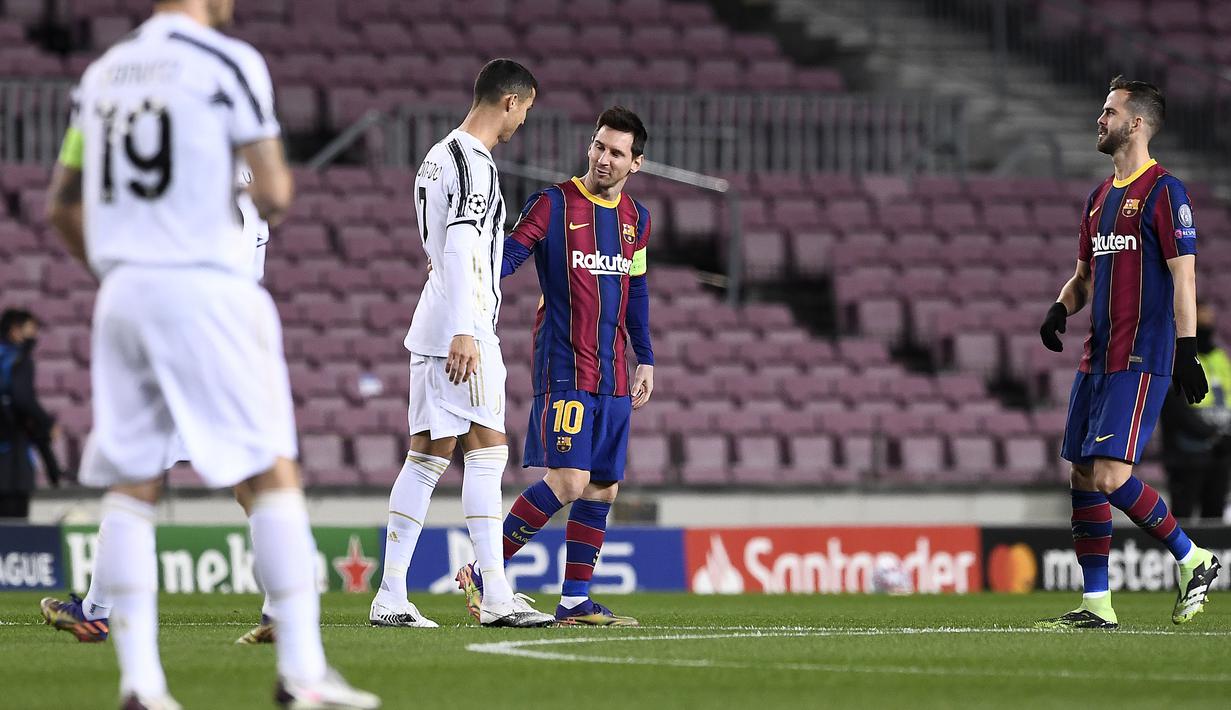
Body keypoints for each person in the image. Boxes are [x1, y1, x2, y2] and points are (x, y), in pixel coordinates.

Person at [39, 1, 378, 708]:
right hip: (204, 289)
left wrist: (118, 270)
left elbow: (61, 206)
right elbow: (278, 190)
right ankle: (303, 673)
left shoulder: (105, 73)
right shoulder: (228, 61)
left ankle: (140, 684)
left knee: (133, 483)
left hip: (125, 292)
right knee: (271, 469)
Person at [41, 168, 281, 647]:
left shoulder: (191, 176)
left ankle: (96, 613)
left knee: (135, 476)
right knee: (252, 484)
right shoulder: (250, 192)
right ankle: (282, 609)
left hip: (184, 340)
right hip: (234, 343)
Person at [367, 58, 554, 629]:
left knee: (427, 457)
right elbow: (456, 246)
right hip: (459, 327)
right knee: (488, 452)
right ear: (510, 102)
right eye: (525, 109)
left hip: (438, 323)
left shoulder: (436, 156)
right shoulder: (475, 164)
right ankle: (494, 594)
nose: (522, 121)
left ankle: (391, 593)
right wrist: (466, 330)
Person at [455, 106, 655, 626]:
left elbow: (637, 292)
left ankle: (574, 601)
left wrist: (646, 357)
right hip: (563, 366)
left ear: (637, 162)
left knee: (602, 486)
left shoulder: (637, 219)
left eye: (616, 152)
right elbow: (509, 257)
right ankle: (482, 572)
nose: (603, 158)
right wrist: (470, 291)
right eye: (599, 146)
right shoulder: (553, 204)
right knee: (568, 479)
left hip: (613, 372)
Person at [1037, 76, 1219, 630]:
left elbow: (1183, 278)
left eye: (1109, 110)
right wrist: (1059, 309)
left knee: (1113, 477)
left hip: (1141, 356)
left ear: (1135, 123)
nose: (1100, 118)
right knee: (1083, 476)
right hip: (1097, 356)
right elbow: (1083, 278)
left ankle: (1195, 559)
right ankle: (1099, 605)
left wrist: (1186, 350)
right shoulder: (1098, 199)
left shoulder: (1165, 191)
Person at [1160, 302, 1231, 521]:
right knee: (1183, 518)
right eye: (1202, 317)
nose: (1208, 321)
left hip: (1219, 454)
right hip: (1186, 454)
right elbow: (1175, 408)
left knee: (1215, 518)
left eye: (1210, 317)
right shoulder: (1175, 357)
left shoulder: (1220, 357)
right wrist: (1212, 433)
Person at [0, 309, 62, 519]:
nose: (34, 336)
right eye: (31, 330)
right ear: (16, 331)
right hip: (11, 454)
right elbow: (23, 398)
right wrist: (47, 423)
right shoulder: (18, 359)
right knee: (14, 525)